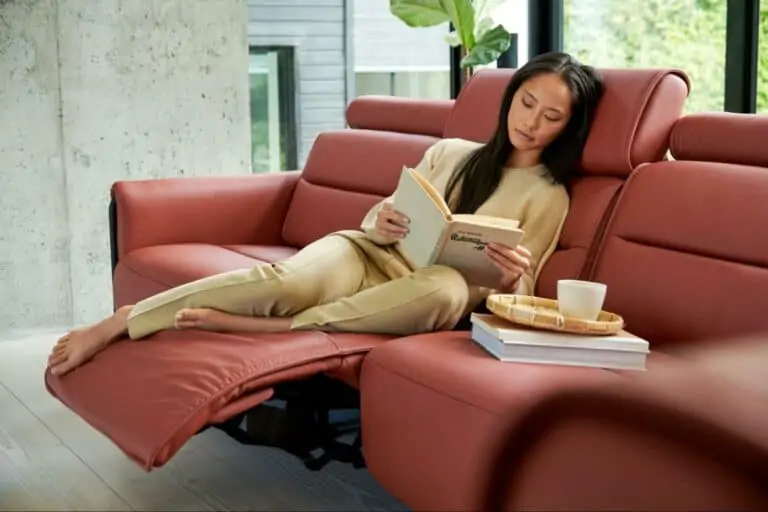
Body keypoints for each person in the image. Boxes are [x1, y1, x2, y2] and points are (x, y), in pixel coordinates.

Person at [47, 52, 605, 377]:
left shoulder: (547, 194)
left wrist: (513, 272)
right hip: (368, 256)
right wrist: (381, 221)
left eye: (551, 116)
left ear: (567, 128)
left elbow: (522, 287)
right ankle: (124, 319)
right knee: (290, 278)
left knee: (446, 290)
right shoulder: (450, 152)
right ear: (511, 98)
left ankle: (278, 329)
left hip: (427, 290)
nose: (531, 122)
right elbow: (385, 214)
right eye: (526, 103)